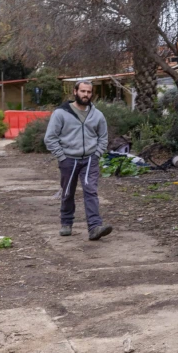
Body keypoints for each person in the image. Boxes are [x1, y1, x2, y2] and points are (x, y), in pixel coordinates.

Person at [44, 81, 112, 241]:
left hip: (90, 159)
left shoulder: (97, 115)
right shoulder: (61, 113)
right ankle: (66, 223)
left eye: (88, 92)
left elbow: (103, 137)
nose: (86, 95)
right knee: (68, 192)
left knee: (91, 191)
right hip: (68, 159)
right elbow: (50, 138)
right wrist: (61, 156)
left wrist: (97, 154)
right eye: (82, 91)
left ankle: (95, 227)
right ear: (75, 92)